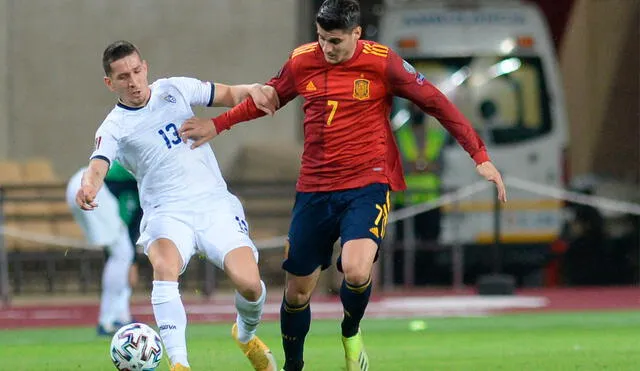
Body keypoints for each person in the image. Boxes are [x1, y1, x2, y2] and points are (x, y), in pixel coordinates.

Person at [179, 1, 507, 370]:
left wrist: (479, 155)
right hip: (315, 189)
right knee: (298, 291)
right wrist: (217, 124)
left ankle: (350, 332)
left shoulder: (384, 63)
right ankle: (294, 366)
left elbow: (436, 102)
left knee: (354, 269)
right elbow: (268, 99)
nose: (326, 49)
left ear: (357, 34)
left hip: (367, 183)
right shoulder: (303, 61)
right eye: (321, 39)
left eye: (334, 41)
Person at [75, 40, 280, 371]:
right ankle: (180, 364)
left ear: (146, 67)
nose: (133, 82)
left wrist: (253, 88)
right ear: (109, 83)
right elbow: (99, 163)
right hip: (166, 213)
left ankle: (245, 335)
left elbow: (229, 93)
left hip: (215, 206)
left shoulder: (175, 89)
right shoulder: (114, 126)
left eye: (137, 71)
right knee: (165, 268)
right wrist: (88, 185)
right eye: (123, 77)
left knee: (249, 284)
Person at [66, 167, 134, 336]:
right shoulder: (144, 173)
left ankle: (119, 315)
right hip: (91, 185)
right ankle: (109, 320)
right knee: (122, 253)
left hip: (78, 182)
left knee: (121, 252)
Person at [104, 160, 143, 289]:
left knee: (122, 240)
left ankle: (127, 268)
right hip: (117, 179)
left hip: (137, 179)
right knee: (116, 237)